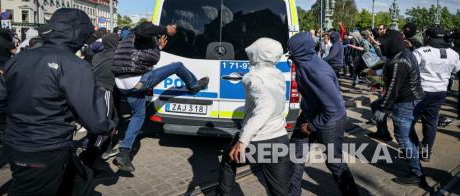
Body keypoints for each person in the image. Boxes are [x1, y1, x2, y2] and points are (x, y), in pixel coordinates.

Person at [0, 8, 117, 195]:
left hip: (15, 142)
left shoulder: (20, 58)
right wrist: (108, 126)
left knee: (79, 181)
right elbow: (95, 119)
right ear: (79, 33)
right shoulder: (75, 65)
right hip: (44, 148)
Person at [113, 21, 209, 172]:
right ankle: (193, 85)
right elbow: (143, 30)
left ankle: (123, 154)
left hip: (121, 83)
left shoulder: (126, 40)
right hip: (136, 80)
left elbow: (150, 58)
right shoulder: (139, 34)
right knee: (177, 66)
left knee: (138, 115)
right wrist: (166, 29)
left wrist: (158, 47)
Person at [288, 32, 359, 196]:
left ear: (299, 51)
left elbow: (333, 108)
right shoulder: (304, 63)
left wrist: (313, 126)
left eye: (291, 50)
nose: (289, 54)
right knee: (295, 154)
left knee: (334, 162)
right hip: (310, 113)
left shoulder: (317, 71)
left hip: (330, 120)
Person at [218, 38, 290, 196]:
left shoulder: (251, 78)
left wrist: (243, 140)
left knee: (228, 160)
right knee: (281, 191)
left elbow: (267, 105)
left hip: (258, 141)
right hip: (280, 138)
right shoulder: (278, 74)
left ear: (258, 54)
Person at [372, 30, 426, 186]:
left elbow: (393, 90)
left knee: (402, 137)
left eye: (384, 44)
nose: (382, 47)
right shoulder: (403, 53)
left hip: (405, 101)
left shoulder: (399, 62)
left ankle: (416, 173)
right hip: (412, 99)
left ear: (392, 43)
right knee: (408, 133)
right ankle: (417, 161)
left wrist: (383, 109)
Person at [411, 26, 460, 162]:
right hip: (440, 92)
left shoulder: (421, 51)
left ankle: (413, 148)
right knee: (431, 122)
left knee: (408, 121)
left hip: (421, 91)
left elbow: (410, 69)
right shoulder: (453, 54)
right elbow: (457, 71)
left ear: (428, 37)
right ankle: (426, 152)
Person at [81, 33, 121, 169]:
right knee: (104, 125)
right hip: (104, 91)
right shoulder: (117, 55)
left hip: (93, 90)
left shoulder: (98, 55)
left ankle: (97, 148)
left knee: (112, 119)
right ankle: (90, 158)